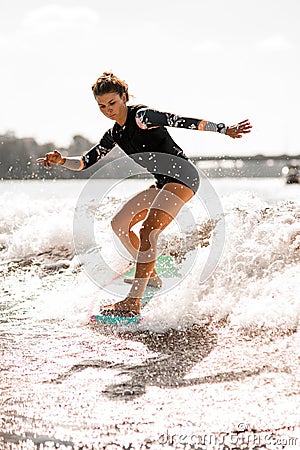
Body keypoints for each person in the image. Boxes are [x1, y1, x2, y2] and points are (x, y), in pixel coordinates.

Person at [37, 72, 252, 319]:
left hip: (182, 177)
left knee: (148, 230)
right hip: (162, 182)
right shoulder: (114, 134)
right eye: (102, 106)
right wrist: (62, 160)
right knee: (119, 224)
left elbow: (181, 120)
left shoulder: (142, 117)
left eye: (112, 103)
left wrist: (225, 129)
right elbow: (86, 161)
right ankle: (151, 275)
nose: (108, 110)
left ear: (124, 97)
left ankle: (132, 302)